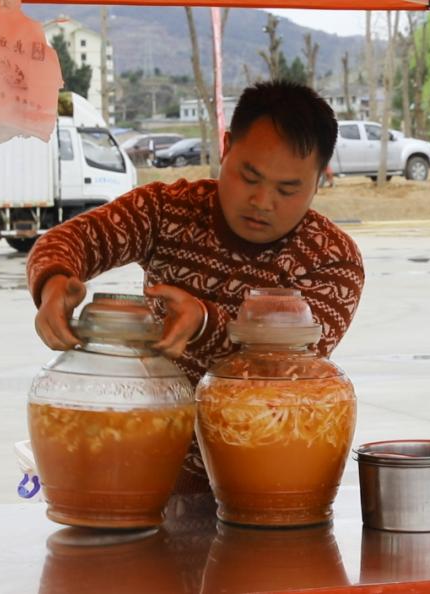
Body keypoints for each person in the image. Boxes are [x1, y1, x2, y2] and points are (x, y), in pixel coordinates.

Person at [27, 80, 365, 491]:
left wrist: (203, 323)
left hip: (263, 480)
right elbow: (67, 241)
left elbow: (289, 366)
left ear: (320, 180)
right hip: (146, 466)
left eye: (287, 189)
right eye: (249, 176)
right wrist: (54, 283)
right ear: (226, 148)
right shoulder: (166, 211)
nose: (262, 201)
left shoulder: (332, 259)